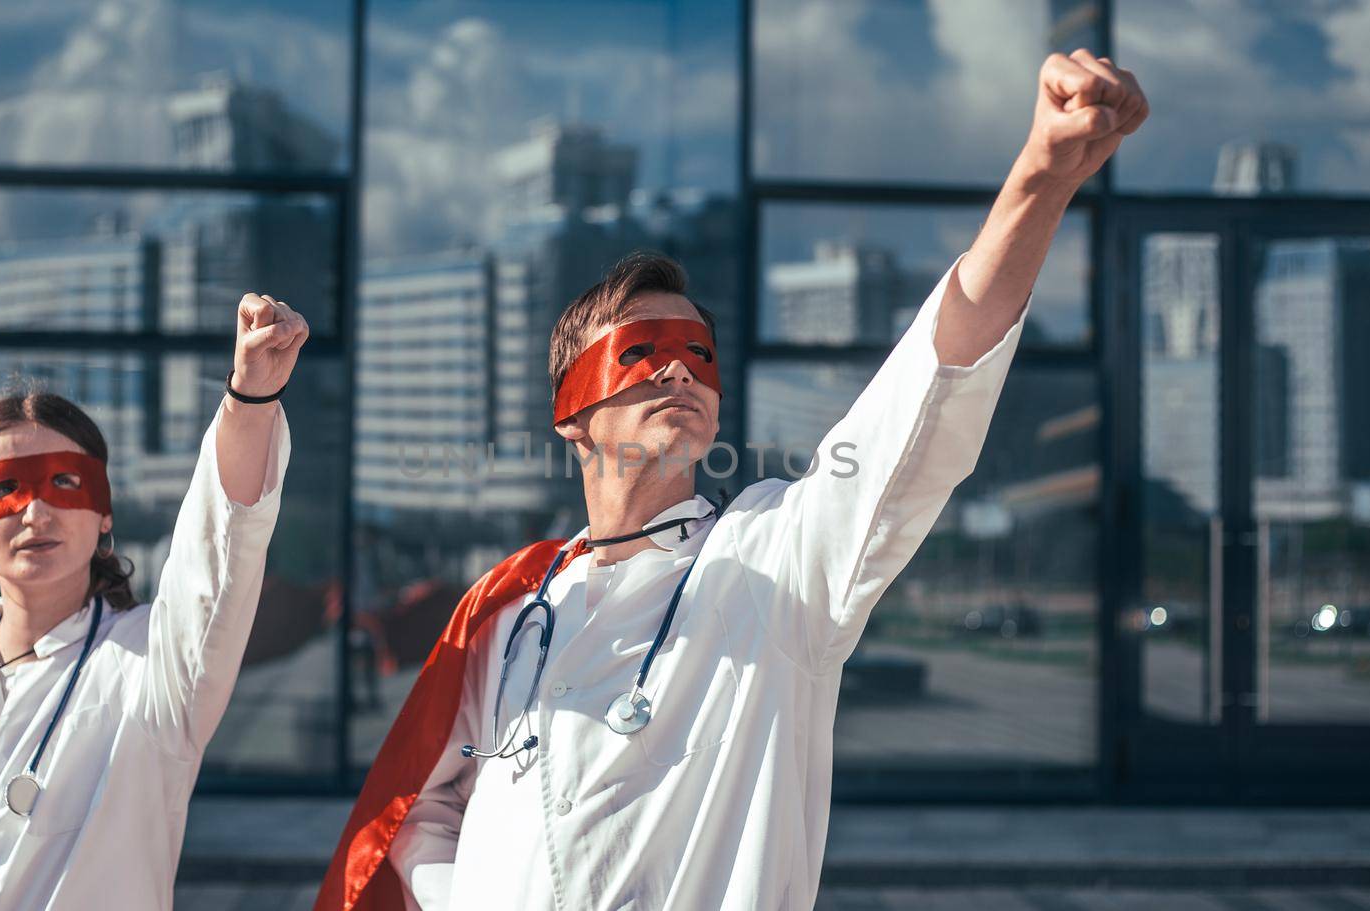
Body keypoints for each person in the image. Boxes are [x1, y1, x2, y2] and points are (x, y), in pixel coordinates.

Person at [317, 50, 1149, 911]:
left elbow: (921, 409)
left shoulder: (771, 565)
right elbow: (426, 808)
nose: (679, 374)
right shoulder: (511, 613)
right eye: (639, 353)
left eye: (698, 358)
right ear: (571, 414)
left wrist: (1038, 182)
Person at [0, 293, 310, 909]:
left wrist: (251, 399)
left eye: (64, 481)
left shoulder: (151, 670)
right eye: (3, 489)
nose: (37, 511)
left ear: (104, 513)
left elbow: (218, 557)